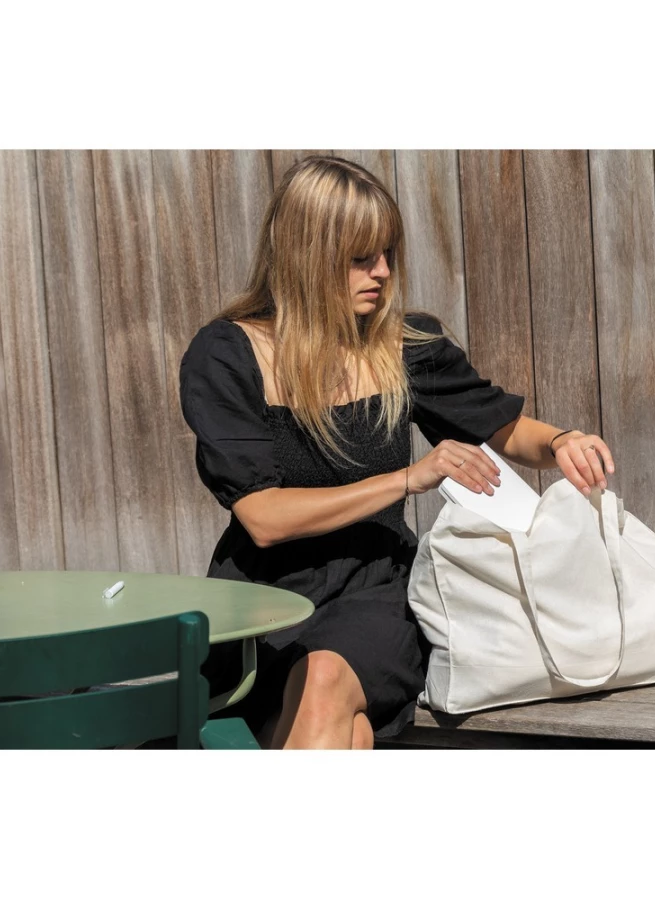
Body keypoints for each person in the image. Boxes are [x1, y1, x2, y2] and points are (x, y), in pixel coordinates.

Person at [179, 155, 615, 749]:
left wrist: (562, 441)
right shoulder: (227, 355)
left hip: (378, 591)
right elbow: (263, 518)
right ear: (308, 254)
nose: (382, 271)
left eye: (387, 253)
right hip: (260, 603)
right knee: (350, 733)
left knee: (326, 677)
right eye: (360, 257)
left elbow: (504, 428)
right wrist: (408, 478)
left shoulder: (404, 346)